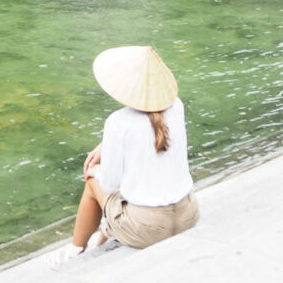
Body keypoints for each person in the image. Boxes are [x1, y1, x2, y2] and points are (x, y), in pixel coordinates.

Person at [45, 45, 199, 267]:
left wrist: (105, 156)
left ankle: (76, 249)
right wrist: (106, 145)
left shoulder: (118, 122)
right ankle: (102, 238)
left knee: (92, 179)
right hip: (188, 216)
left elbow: (110, 182)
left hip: (148, 230)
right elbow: (152, 133)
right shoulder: (177, 106)